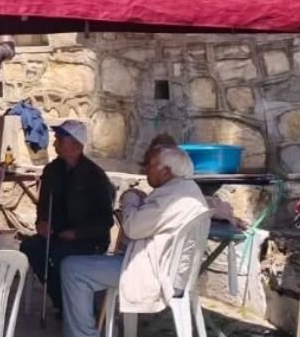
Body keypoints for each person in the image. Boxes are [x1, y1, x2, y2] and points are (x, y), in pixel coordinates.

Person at [60, 147, 209, 337]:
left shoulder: (170, 197)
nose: (146, 168)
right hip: (175, 274)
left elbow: (132, 228)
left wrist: (129, 199)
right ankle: (103, 327)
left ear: (166, 171)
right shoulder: (188, 190)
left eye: (151, 165)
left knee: (73, 268)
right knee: (86, 266)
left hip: (155, 274)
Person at [19, 119, 115, 318]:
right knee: (31, 247)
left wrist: (78, 233)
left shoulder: (95, 177)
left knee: (61, 256)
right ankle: (65, 303)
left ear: (76, 145)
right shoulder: (52, 171)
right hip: (57, 234)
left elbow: (105, 221)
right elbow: (44, 205)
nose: (55, 144)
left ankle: (76, 308)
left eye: (59, 140)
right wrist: (42, 222)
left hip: (88, 239)